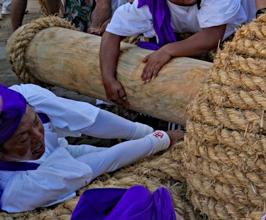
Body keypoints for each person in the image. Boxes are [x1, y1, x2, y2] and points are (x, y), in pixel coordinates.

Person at [0, 84, 183, 213]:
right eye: (24, 139)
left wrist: (144, 132)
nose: (38, 136)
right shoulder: (15, 189)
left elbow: (89, 119)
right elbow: (94, 165)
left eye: (36, 122)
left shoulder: (23, 96)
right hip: (43, 190)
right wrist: (161, 139)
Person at [100, 0, 254, 105]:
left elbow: (212, 37)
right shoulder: (151, 3)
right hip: (198, 34)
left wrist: (168, 50)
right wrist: (108, 79)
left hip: (249, 29)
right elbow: (112, 32)